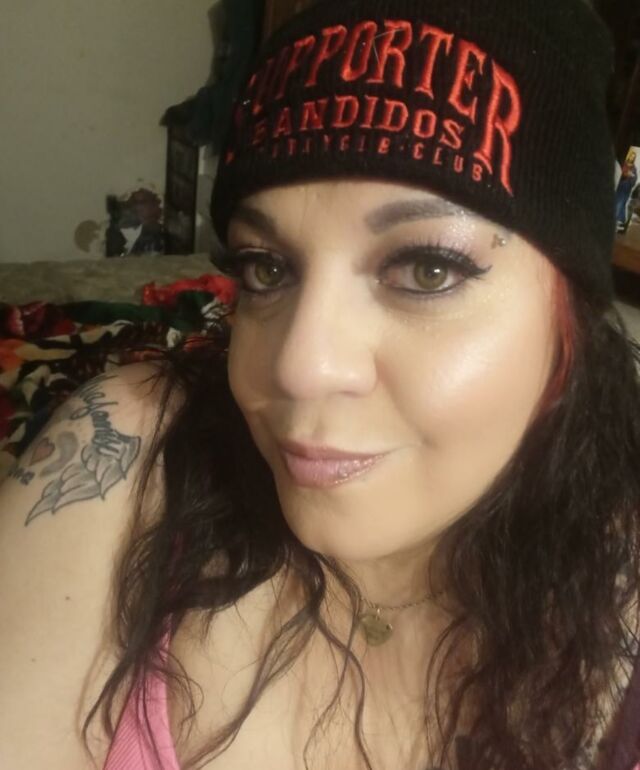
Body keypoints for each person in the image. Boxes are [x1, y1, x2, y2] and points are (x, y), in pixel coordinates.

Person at [1, 1, 640, 769]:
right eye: (265, 269)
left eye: (427, 270)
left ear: (571, 316)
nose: (297, 367)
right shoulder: (127, 450)